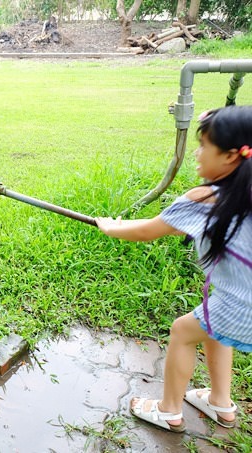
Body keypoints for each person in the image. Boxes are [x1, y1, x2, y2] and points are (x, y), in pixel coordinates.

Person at [95, 105, 252, 432]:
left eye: (204, 145)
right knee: (212, 326)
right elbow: (162, 223)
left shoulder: (207, 198)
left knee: (183, 331)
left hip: (242, 306)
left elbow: (149, 230)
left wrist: (110, 228)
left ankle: (168, 410)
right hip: (239, 300)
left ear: (230, 156)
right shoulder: (243, 192)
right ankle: (220, 403)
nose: (197, 152)